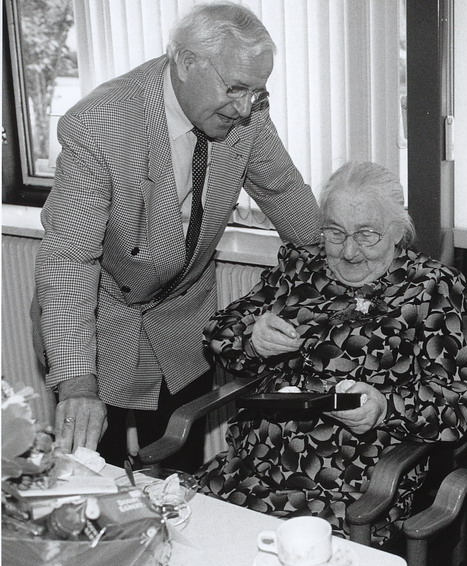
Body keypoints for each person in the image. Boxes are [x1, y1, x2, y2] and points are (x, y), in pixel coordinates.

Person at [33, 2, 321, 472]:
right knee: (95, 466)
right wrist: (78, 382)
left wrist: (349, 257)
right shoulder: (101, 123)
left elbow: (283, 190)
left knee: (178, 467)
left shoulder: (246, 114)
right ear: (187, 63)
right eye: (235, 88)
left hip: (181, 314)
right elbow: (70, 258)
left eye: (257, 92)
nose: (245, 107)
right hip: (100, 312)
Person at [196, 161, 467, 544]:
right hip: (251, 464)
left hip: (350, 486)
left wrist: (385, 407)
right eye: (335, 232)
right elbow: (216, 333)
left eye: (366, 235)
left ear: (399, 231)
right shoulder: (300, 269)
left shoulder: (433, 288)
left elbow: (460, 404)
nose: (348, 252)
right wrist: (251, 337)